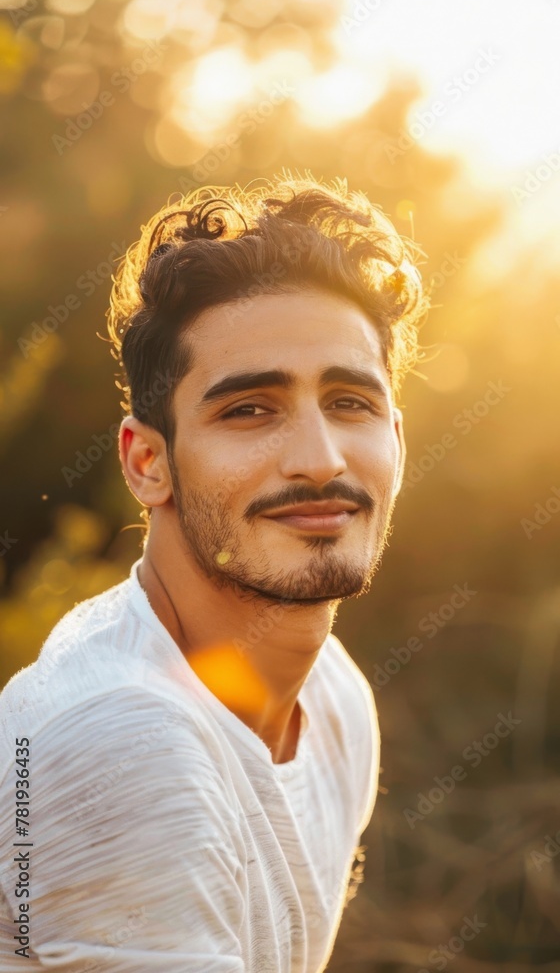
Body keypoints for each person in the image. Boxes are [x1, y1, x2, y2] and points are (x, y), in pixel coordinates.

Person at [0, 175, 429, 971]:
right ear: (146, 462)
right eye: (249, 410)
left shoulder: (331, 697)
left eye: (350, 403)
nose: (319, 460)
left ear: (396, 441)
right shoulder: (125, 738)